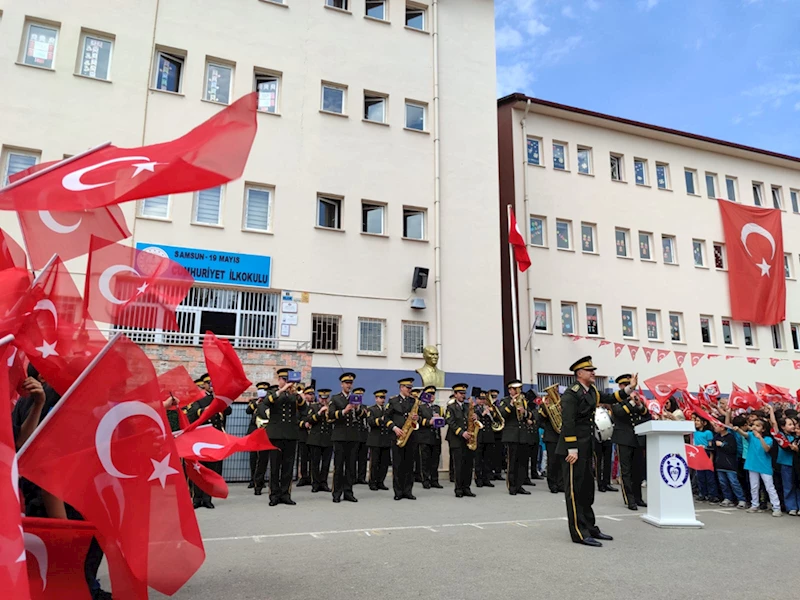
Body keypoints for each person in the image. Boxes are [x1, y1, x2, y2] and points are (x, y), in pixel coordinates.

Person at [557, 356, 634, 547]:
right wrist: (572, 449)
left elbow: (611, 398)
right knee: (574, 491)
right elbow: (568, 423)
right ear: (579, 374)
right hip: (572, 450)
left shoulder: (591, 391)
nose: (593, 372)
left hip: (586, 447)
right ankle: (579, 532)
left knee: (586, 490)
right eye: (589, 370)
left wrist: (629, 389)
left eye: (593, 369)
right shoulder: (571, 394)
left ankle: (590, 527)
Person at [186, 376, 231, 510]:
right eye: (208, 383)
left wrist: (221, 399)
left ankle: (207, 498)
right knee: (199, 469)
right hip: (201, 439)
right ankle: (197, 498)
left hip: (215, 439)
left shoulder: (218, 399)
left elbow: (228, 411)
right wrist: (205, 409)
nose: (210, 386)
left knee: (212, 469)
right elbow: (191, 414)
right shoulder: (198, 398)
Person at [264, 368, 305, 506]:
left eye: (289, 381)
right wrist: (282, 390)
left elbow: (304, 409)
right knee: (275, 466)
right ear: (280, 380)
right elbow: (266, 403)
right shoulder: (273, 392)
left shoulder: (294, 395)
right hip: (275, 434)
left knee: (288, 466)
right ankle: (274, 495)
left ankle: (285, 494)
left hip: (291, 434)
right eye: (285, 380)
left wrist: (300, 396)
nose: (288, 383)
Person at [730, 417, 782, 517]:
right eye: (753, 425)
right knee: (754, 486)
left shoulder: (768, 439)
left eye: (758, 426)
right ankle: (755, 504)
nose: (754, 427)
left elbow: (766, 449)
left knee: (769, 487)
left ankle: (776, 507)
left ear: (763, 429)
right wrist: (738, 429)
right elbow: (744, 434)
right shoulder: (750, 436)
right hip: (752, 464)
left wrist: (760, 438)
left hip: (764, 466)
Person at [328, 372, 368, 503]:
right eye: (346, 383)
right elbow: (331, 415)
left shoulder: (355, 398)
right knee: (339, 466)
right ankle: (336, 492)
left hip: (353, 436)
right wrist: (344, 411)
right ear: (341, 384)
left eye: (350, 383)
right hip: (339, 436)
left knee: (351, 466)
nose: (348, 385)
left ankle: (348, 492)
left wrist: (356, 409)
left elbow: (363, 415)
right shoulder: (335, 398)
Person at [610, 375, 648, 510]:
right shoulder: (616, 401)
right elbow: (619, 413)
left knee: (637, 470)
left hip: (637, 439)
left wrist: (639, 404)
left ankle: (638, 498)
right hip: (623, 439)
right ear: (621, 387)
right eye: (626, 384)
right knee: (625, 471)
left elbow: (646, 414)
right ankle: (629, 499)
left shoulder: (636, 399)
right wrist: (631, 403)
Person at [384, 377, 420, 500]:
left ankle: (408, 490)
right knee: (398, 465)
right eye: (407, 388)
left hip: (410, 436)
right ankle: (398, 492)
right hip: (398, 435)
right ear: (401, 387)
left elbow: (416, 417)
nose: (409, 390)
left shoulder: (413, 401)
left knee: (409, 465)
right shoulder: (393, 401)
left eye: (410, 388)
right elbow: (386, 418)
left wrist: (416, 418)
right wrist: (394, 428)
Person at [498, 380, 531, 495]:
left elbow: (530, 415)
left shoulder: (523, 401)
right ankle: (511, 486)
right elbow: (502, 414)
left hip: (522, 435)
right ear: (510, 390)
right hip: (511, 435)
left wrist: (525, 412)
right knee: (512, 462)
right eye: (515, 389)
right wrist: (511, 404)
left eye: (519, 389)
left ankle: (519, 485)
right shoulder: (505, 401)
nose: (518, 391)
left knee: (522, 462)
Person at [445, 383, 476, 498]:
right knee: (458, 465)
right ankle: (458, 489)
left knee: (468, 465)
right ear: (455, 394)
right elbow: (450, 422)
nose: (463, 395)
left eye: (464, 393)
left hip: (468, 439)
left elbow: (471, 420)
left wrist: (475, 418)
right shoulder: (451, 407)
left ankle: (466, 487)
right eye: (461, 393)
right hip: (456, 439)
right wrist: (462, 432)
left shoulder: (468, 406)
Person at [767, 405, 799, 515]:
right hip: (786, 464)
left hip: (796, 464)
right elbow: (774, 424)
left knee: (797, 486)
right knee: (788, 486)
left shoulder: (797, 435)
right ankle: (791, 507)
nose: (793, 426)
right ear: (783, 427)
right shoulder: (781, 436)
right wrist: (771, 410)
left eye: (794, 424)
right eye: (789, 424)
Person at [711, 419, 747, 509]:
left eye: (716, 426)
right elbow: (713, 448)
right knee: (723, 482)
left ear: (722, 427)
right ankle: (728, 498)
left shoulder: (730, 437)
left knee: (734, 482)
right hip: (719, 463)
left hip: (730, 464)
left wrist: (723, 445)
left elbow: (733, 449)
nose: (714, 427)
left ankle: (741, 499)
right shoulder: (716, 437)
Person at [306, 388, 333, 493]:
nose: (324, 400)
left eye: (326, 398)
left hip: (328, 438)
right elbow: (309, 419)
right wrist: (319, 413)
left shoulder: (331, 408)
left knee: (326, 463)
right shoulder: (313, 407)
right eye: (322, 398)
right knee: (315, 463)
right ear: (319, 397)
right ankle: (315, 483)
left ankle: (324, 482)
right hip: (315, 439)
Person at [417, 385, 443, 489]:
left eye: (433, 394)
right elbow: (417, 420)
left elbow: (444, 420)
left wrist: (440, 419)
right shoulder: (420, 407)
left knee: (435, 460)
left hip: (436, 437)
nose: (432, 396)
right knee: (425, 460)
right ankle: (425, 480)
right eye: (430, 394)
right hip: (425, 437)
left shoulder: (438, 408)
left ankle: (434, 480)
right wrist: (429, 422)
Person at [253, 384, 277, 496]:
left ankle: (274, 486)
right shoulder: (262, 405)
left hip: (275, 436)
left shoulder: (278, 405)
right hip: (263, 436)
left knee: (275, 463)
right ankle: (258, 485)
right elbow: (257, 419)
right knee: (262, 462)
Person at [692, 415, 720, 504]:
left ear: (704, 423)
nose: (696, 422)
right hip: (698, 455)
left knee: (709, 477)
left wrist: (710, 458)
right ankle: (702, 494)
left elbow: (711, 446)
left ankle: (713, 495)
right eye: (695, 420)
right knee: (700, 476)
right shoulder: (694, 432)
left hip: (706, 454)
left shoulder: (708, 433)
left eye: (698, 420)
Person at [367, 390, 392, 491]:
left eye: (383, 398)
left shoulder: (387, 410)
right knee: (375, 463)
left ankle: (381, 481)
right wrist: (381, 419)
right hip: (375, 440)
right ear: (376, 399)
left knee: (384, 463)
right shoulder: (371, 409)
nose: (382, 400)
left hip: (385, 439)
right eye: (380, 398)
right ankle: (372, 482)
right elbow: (371, 422)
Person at [539, 393, 564, 494]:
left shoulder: (562, 404)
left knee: (561, 461)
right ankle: (552, 484)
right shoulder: (544, 406)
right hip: (551, 436)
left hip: (561, 436)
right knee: (552, 461)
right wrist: (546, 407)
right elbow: (540, 419)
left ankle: (561, 484)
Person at [246, 383, 267, 489]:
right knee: (253, 457)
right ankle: (252, 479)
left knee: (263, 458)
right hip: (254, 432)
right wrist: (257, 403)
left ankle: (260, 480)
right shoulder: (254, 402)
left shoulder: (269, 403)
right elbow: (248, 411)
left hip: (264, 432)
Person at [474, 392, 496, 488]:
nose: (482, 401)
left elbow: (495, 420)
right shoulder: (474, 409)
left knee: (488, 459)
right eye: (480, 399)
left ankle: (486, 478)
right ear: (476, 399)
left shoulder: (489, 408)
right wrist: (483, 414)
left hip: (488, 436)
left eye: (484, 399)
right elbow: (474, 420)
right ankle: (478, 479)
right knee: (478, 459)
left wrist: (490, 413)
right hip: (479, 436)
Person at [295, 386, 314, 487]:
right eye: (309, 394)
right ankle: (303, 477)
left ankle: (311, 477)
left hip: (313, 436)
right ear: (305, 395)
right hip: (303, 435)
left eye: (312, 394)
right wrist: (304, 424)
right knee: (303, 457)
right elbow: (296, 420)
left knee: (312, 457)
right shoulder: (300, 407)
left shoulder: (315, 406)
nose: (311, 396)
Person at [355, 387, 370, 485]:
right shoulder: (351, 406)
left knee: (363, 458)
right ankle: (352, 477)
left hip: (364, 435)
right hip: (355, 435)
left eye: (361, 395)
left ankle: (361, 477)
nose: (360, 397)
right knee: (353, 458)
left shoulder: (365, 407)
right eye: (358, 395)